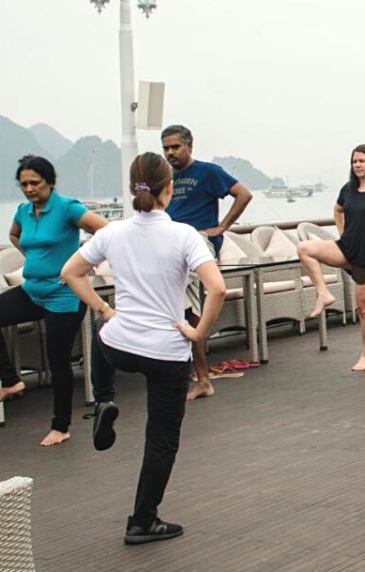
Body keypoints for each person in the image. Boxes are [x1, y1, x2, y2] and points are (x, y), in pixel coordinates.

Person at [61, 152, 226, 545]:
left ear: (132, 188)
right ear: (169, 188)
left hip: (120, 346)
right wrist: (198, 333)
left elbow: (70, 272)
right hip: (166, 352)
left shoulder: (112, 233)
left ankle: (103, 398)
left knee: (102, 329)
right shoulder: (185, 235)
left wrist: (104, 309)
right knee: (161, 439)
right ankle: (142, 521)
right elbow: (217, 288)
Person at [0, 155, 109, 446]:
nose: (29, 189)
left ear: (50, 182)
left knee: (58, 362)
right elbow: (14, 235)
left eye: (35, 183)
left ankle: (61, 426)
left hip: (64, 295)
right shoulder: (23, 211)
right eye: (24, 184)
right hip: (32, 291)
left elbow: (106, 230)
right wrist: (35, 257)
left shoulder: (67, 208)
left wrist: (85, 260)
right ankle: (11, 380)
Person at [296, 145, 365, 371]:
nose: (357, 165)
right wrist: (342, 232)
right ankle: (323, 293)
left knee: (364, 309)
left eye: (362, 161)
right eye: (354, 161)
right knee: (304, 248)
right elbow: (338, 210)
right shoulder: (347, 189)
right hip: (347, 248)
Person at [160, 124, 253, 400]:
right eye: (165, 148)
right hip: (169, 245)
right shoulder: (163, 175)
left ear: (189, 145)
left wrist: (222, 227)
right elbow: (139, 190)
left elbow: (244, 194)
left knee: (182, 303)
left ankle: (201, 378)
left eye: (175, 147)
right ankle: (198, 377)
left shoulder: (208, 172)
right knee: (186, 311)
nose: (170, 153)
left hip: (199, 243)